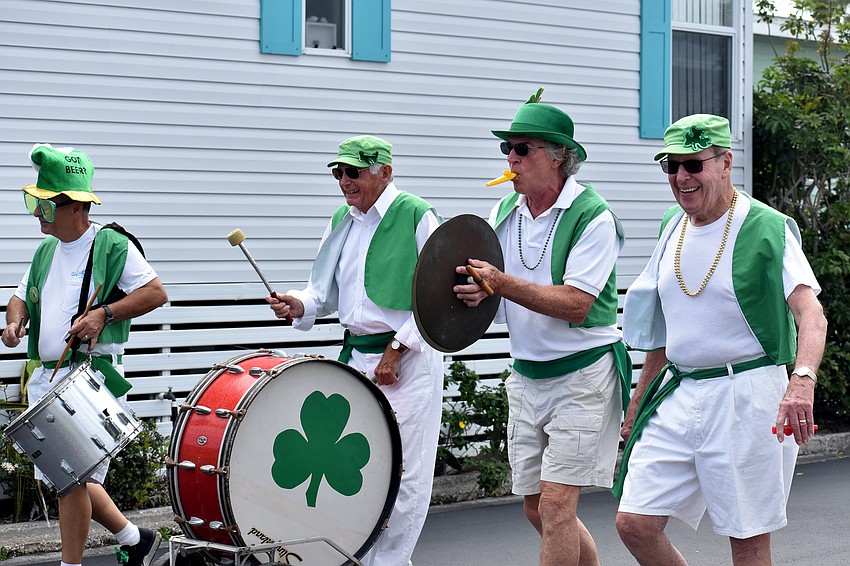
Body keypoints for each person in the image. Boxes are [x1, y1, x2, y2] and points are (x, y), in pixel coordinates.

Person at [613, 114, 827, 566]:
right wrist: (639, 400)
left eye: (693, 165)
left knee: (746, 543)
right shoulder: (672, 224)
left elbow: (811, 314)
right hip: (678, 392)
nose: (681, 177)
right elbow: (665, 333)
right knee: (635, 523)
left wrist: (802, 380)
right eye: (671, 166)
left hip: (746, 396)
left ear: (726, 163)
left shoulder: (767, 227)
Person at [453, 91, 631, 566]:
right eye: (506, 148)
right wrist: (478, 293)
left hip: (583, 375)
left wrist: (501, 283)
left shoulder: (594, 216)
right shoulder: (502, 213)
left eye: (522, 149)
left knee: (555, 506)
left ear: (557, 157)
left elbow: (577, 305)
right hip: (527, 373)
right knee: (537, 508)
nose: (510, 158)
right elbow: (493, 290)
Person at [267, 135, 444, 566]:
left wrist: (397, 349)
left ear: (385, 173)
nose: (344, 181)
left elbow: (440, 297)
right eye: (338, 173)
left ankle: (390, 562)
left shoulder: (417, 214)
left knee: (405, 473)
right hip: (359, 359)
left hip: (409, 359)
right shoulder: (341, 219)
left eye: (353, 172)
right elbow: (322, 293)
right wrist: (298, 304)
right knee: (360, 471)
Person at [1, 144, 168, 566]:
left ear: (75, 206)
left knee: (69, 479)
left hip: (88, 378)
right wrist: (15, 322)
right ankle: (136, 539)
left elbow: (155, 293)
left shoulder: (111, 244)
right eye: (34, 203)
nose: (37, 214)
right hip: (49, 379)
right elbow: (19, 297)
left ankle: (71, 564)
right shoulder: (45, 251)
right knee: (68, 475)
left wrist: (103, 314)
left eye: (45, 205)